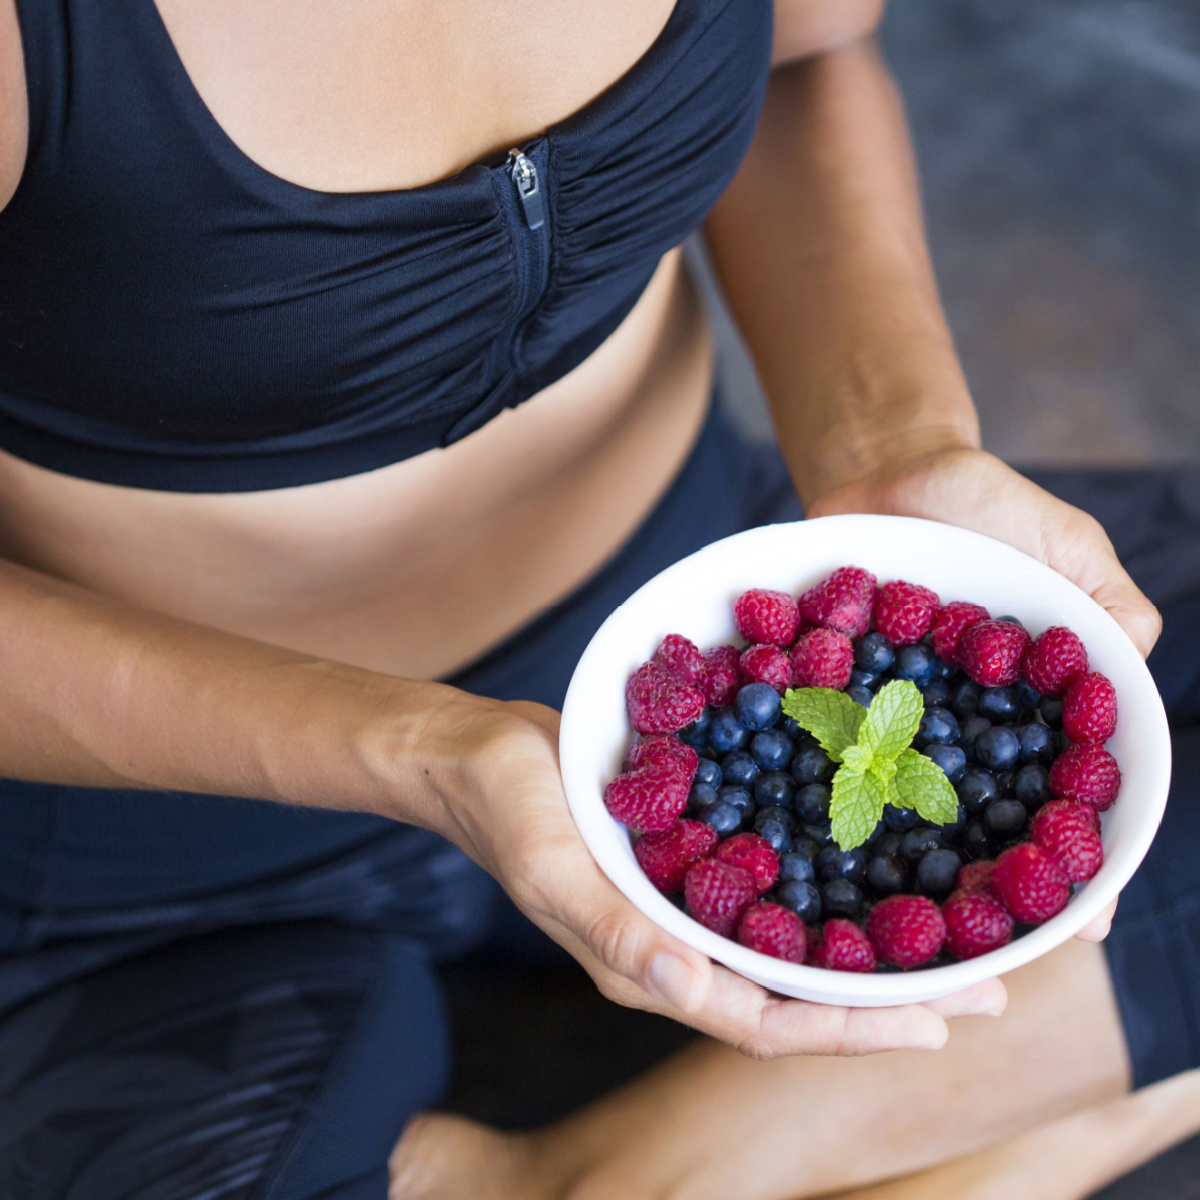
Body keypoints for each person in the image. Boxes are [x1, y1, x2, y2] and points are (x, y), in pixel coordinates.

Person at [0, 0, 1192, 1197]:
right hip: (163, 820)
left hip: (701, 664)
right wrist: (424, 751)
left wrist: (893, 445)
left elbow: (802, 56)